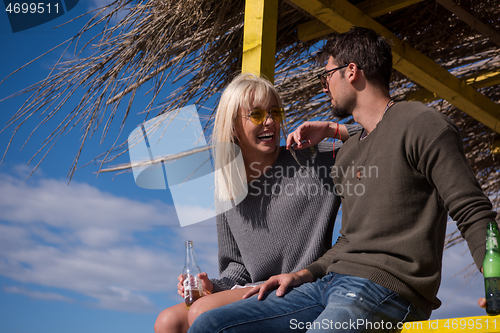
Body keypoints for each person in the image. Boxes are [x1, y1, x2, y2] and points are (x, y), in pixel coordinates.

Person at [187, 27, 497, 333]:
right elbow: (349, 241)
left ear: (351, 72)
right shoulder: (349, 152)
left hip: (385, 289)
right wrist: (302, 275)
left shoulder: (422, 124)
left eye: (326, 76)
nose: (324, 87)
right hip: (326, 285)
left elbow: (472, 210)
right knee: (211, 325)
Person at [154, 73, 361, 333]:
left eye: (275, 112)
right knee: (167, 321)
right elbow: (237, 268)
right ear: (232, 125)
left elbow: (377, 133)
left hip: (302, 286)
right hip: (256, 288)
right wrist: (212, 286)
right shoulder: (227, 185)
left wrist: (334, 129)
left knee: (200, 312)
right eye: (256, 115)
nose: (270, 122)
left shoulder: (312, 159)